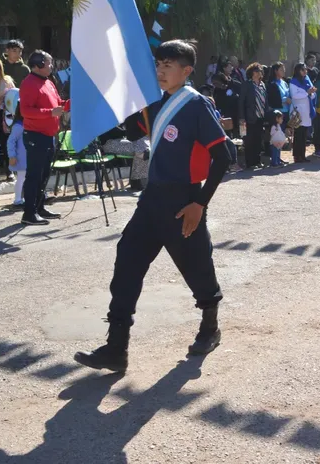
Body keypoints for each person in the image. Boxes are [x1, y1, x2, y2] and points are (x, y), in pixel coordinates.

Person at [75, 40, 231, 372]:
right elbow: (134, 131)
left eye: (168, 65)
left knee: (197, 267)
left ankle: (210, 327)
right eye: (158, 64)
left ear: (186, 71)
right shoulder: (156, 103)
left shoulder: (196, 105)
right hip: (151, 199)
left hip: (184, 200)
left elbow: (224, 157)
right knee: (127, 263)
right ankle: (116, 348)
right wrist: (131, 99)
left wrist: (199, 204)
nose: (160, 70)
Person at [18, 50, 66, 226]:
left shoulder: (48, 82)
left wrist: (72, 103)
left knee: (44, 174)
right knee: (34, 175)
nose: (51, 66)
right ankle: (29, 213)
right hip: (35, 135)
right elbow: (26, 111)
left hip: (48, 136)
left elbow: (58, 104)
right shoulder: (29, 83)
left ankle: (39, 207)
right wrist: (50, 113)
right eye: (48, 63)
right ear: (38, 64)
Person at [237, 63, 267, 170]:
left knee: (258, 140)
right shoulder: (247, 84)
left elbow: (265, 100)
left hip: (260, 116)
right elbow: (241, 102)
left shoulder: (262, 84)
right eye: (257, 71)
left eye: (260, 71)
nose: (260, 73)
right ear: (252, 73)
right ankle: (250, 163)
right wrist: (242, 117)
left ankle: (257, 161)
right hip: (249, 117)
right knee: (249, 140)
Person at [288, 62, 315, 163]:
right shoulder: (293, 82)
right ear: (298, 71)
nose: (305, 71)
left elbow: (312, 95)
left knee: (304, 134)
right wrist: (307, 92)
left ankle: (302, 155)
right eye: (303, 70)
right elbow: (294, 95)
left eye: (305, 69)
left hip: (306, 110)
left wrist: (311, 93)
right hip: (298, 111)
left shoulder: (307, 80)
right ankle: (296, 156)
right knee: (298, 134)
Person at [6, 105, 27, 208]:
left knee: (26, 178)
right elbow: (11, 141)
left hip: (27, 157)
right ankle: (17, 200)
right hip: (21, 158)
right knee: (21, 178)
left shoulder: (25, 124)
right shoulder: (18, 126)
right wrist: (12, 155)